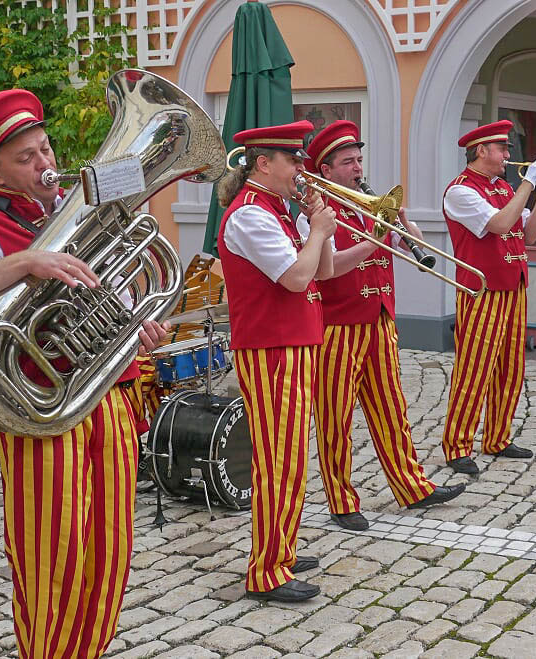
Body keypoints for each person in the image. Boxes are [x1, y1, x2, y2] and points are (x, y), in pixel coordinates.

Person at [0, 89, 168, 658]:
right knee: (52, 557)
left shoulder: (71, 211)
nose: (45, 163)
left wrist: (137, 326)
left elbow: (115, 294)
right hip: (43, 412)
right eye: (26, 157)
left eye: (45, 147)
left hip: (110, 395)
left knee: (109, 553)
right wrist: (25, 261)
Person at [298, 120, 465, 531]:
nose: (358, 167)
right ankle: (340, 498)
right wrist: (376, 239)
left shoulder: (369, 203)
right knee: (335, 417)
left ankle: (412, 485)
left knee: (392, 409)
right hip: (339, 326)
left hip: (379, 319)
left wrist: (402, 224)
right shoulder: (317, 214)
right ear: (326, 169)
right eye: (348, 162)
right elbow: (328, 270)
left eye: (359, 159)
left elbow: (420, 245)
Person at [216, 120, 337, 603]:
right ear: (264, 164)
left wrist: (317, 227)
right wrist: (317, 231)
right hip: (270, 349)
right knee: (277, 460)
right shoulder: (250, 215)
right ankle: (267, 570)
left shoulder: (278, 211)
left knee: (289, 457)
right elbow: (294, 278)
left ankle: (280, 546)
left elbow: (321, 272)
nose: (301, 169)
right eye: (293, 160)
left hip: (292, 344)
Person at [441, 120, 536, 475]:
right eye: (503, 149)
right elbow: (500, 225)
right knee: (474, 367)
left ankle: (497, 436)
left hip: (514, 285)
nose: (509, 155)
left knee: (510, 366)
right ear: (481, 151)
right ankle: (457, 444)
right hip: (482, 290)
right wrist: (528, 183)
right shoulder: (460, 191)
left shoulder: (505, 189)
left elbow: (531, 234)